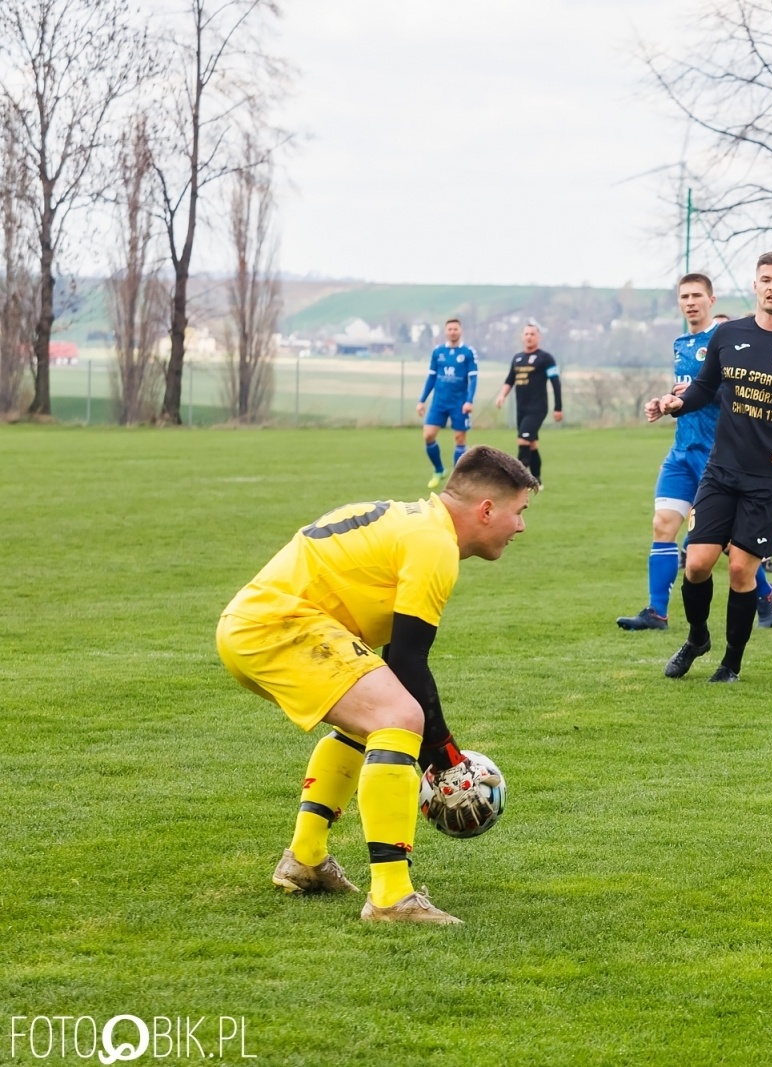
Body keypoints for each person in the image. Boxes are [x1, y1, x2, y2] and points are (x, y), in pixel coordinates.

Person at [216, 447, 537, 924]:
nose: (521, 527)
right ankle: (391, 896)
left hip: (253, 625)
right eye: (519, 512)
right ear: (486, 510)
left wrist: (440, 751)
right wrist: (446, 757)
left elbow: (398, 661)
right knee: (399, 717)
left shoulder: (413, 522)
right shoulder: (434, 545)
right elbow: (408, 662)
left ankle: (305, 858)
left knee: (373, 723)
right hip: (278, 627)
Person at [647, 251, 772, 681]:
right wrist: (677, 403)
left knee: (739, 569)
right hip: (721, 468)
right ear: (755, 286)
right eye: (765, 279)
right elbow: (704, 387)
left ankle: (731, 661)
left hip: (769, 477)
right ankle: (697, 638)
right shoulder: (728, 335)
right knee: (696, 563)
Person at [617, 277, 772, 632]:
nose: (690, 302)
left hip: (717, 454)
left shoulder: (728, 341)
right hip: (682, 450)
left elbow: (737, 394)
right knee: (662, 525)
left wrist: (696, 391)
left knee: (722, 542)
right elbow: (685, 394)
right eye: (684, 296)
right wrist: (664, 403)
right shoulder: (681, 343)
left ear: (711, 300)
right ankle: (657, 612)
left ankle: (766, 593)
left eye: (697, 296)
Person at [493, 320, 562, 482]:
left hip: (537, 408)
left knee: (523, 441)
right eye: (526, 334)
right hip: (521, 409)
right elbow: (510, 380)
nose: (529, 337)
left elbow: (556, 383)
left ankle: (518, 482)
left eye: (532, 334)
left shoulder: (546, 358)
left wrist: (558, 407)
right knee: (531, 444)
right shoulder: (517, 358)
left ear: (539, 337)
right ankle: (537, 479)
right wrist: (502, 395)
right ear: (522, 337)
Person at [416, 318, 479, 490]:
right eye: (450, 329)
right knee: (428, 435)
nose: (452, 332)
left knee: (459, 439)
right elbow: (431, 377)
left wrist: (469, 401)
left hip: (459, 403)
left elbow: (473, 378)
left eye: (455, 329)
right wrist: (422, 400)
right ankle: (439, 470)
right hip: (439, 402)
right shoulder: (438, 352)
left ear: (461, 331)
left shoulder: (468, 352)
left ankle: (457, 479)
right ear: (445, 332)